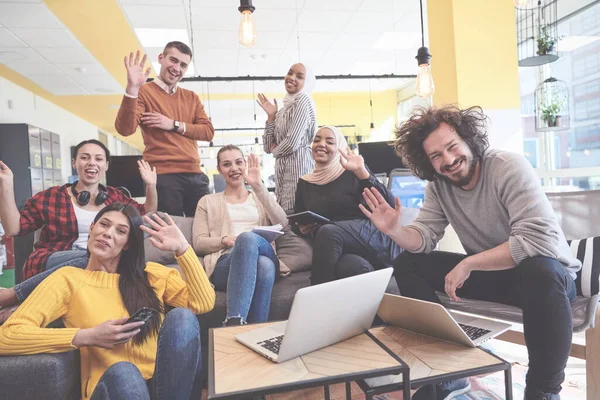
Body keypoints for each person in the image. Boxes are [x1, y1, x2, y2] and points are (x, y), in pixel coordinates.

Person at [361, 105, 580, 400]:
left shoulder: (507, 166)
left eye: (452, 147)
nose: (448, 160)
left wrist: (470, 263)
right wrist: (394, 231)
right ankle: (450, 373)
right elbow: (423, 239)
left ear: (469, 140)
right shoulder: (439, 186)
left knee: (541, 270)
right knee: (407, 263)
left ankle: (542, 392)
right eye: (436, 156)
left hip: (550, 281)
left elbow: (539, 241)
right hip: (497, 277)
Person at [0, 203, 216, 400]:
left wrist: (183, 249)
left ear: (128, 244)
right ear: (92, 228)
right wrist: (87, 336)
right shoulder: (68, 279)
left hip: (162, 388)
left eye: (120, 231)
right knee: (125, 371)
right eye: (104, 224)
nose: (107, 233)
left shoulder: (152, 275)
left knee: (182, 316)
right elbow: (7, 335)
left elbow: (203, 304)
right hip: (111, 387)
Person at [0, 139, 157, 282]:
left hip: (98, 259)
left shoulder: (115, 197)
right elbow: (13, 229)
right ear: (74, 163)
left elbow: (147, 212)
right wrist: (6, 184)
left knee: (108, 259)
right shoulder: (52, 196)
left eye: (99, 159)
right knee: (98, 257)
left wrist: (150, 185)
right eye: (85, 157)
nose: (91, 163)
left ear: (106, 165)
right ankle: (17, 293)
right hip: (56, 257)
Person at [115, 41, 214, 217]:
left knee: (205, 228)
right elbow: (125, 130)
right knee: (168, 231)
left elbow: (207, 132)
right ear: (161, 58)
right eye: (173, 60)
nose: (177, 68)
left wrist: (173, 124)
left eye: (183, 65)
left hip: (195, 174)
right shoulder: (144, 91)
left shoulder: (191, 97)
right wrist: (132, 88)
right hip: (163, 175)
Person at [293, 126, 403, 285]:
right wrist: (301, 228)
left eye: (330, 142)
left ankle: (316, 304)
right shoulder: (305, 182)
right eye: (316, 140)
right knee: (355, 268)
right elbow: (299, 219)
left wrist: (362, 172)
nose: (321, 144)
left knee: (328, 231)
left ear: (339, 148)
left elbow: (389, 204)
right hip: (339, 247)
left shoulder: (352, 170)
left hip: (371, 236)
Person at [192, 146, 290, 325]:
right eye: (227, 164)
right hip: (226, 263)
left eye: (238, 162)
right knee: (265, 266)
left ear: (245, 164)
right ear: (220, 169)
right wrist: (225, 240)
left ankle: (234, 321)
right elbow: (198, 243)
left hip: (263, 250)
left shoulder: (260, 197)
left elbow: (283, 223)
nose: (234, 168)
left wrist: (259, 187)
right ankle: (256, 332)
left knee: (248, 239)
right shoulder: (207, 201)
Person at [257, 63, 317, 212]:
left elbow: (292, 143)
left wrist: (276, 151)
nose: (291, 78)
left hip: (299, 165)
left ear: (307, 82)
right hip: (282, 170)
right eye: (290, 73)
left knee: (297, 213)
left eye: (299, 76)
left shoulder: (303, 100)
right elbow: (267, 147)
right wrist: (271, 117)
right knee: (285, 215)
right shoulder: (283, 110)